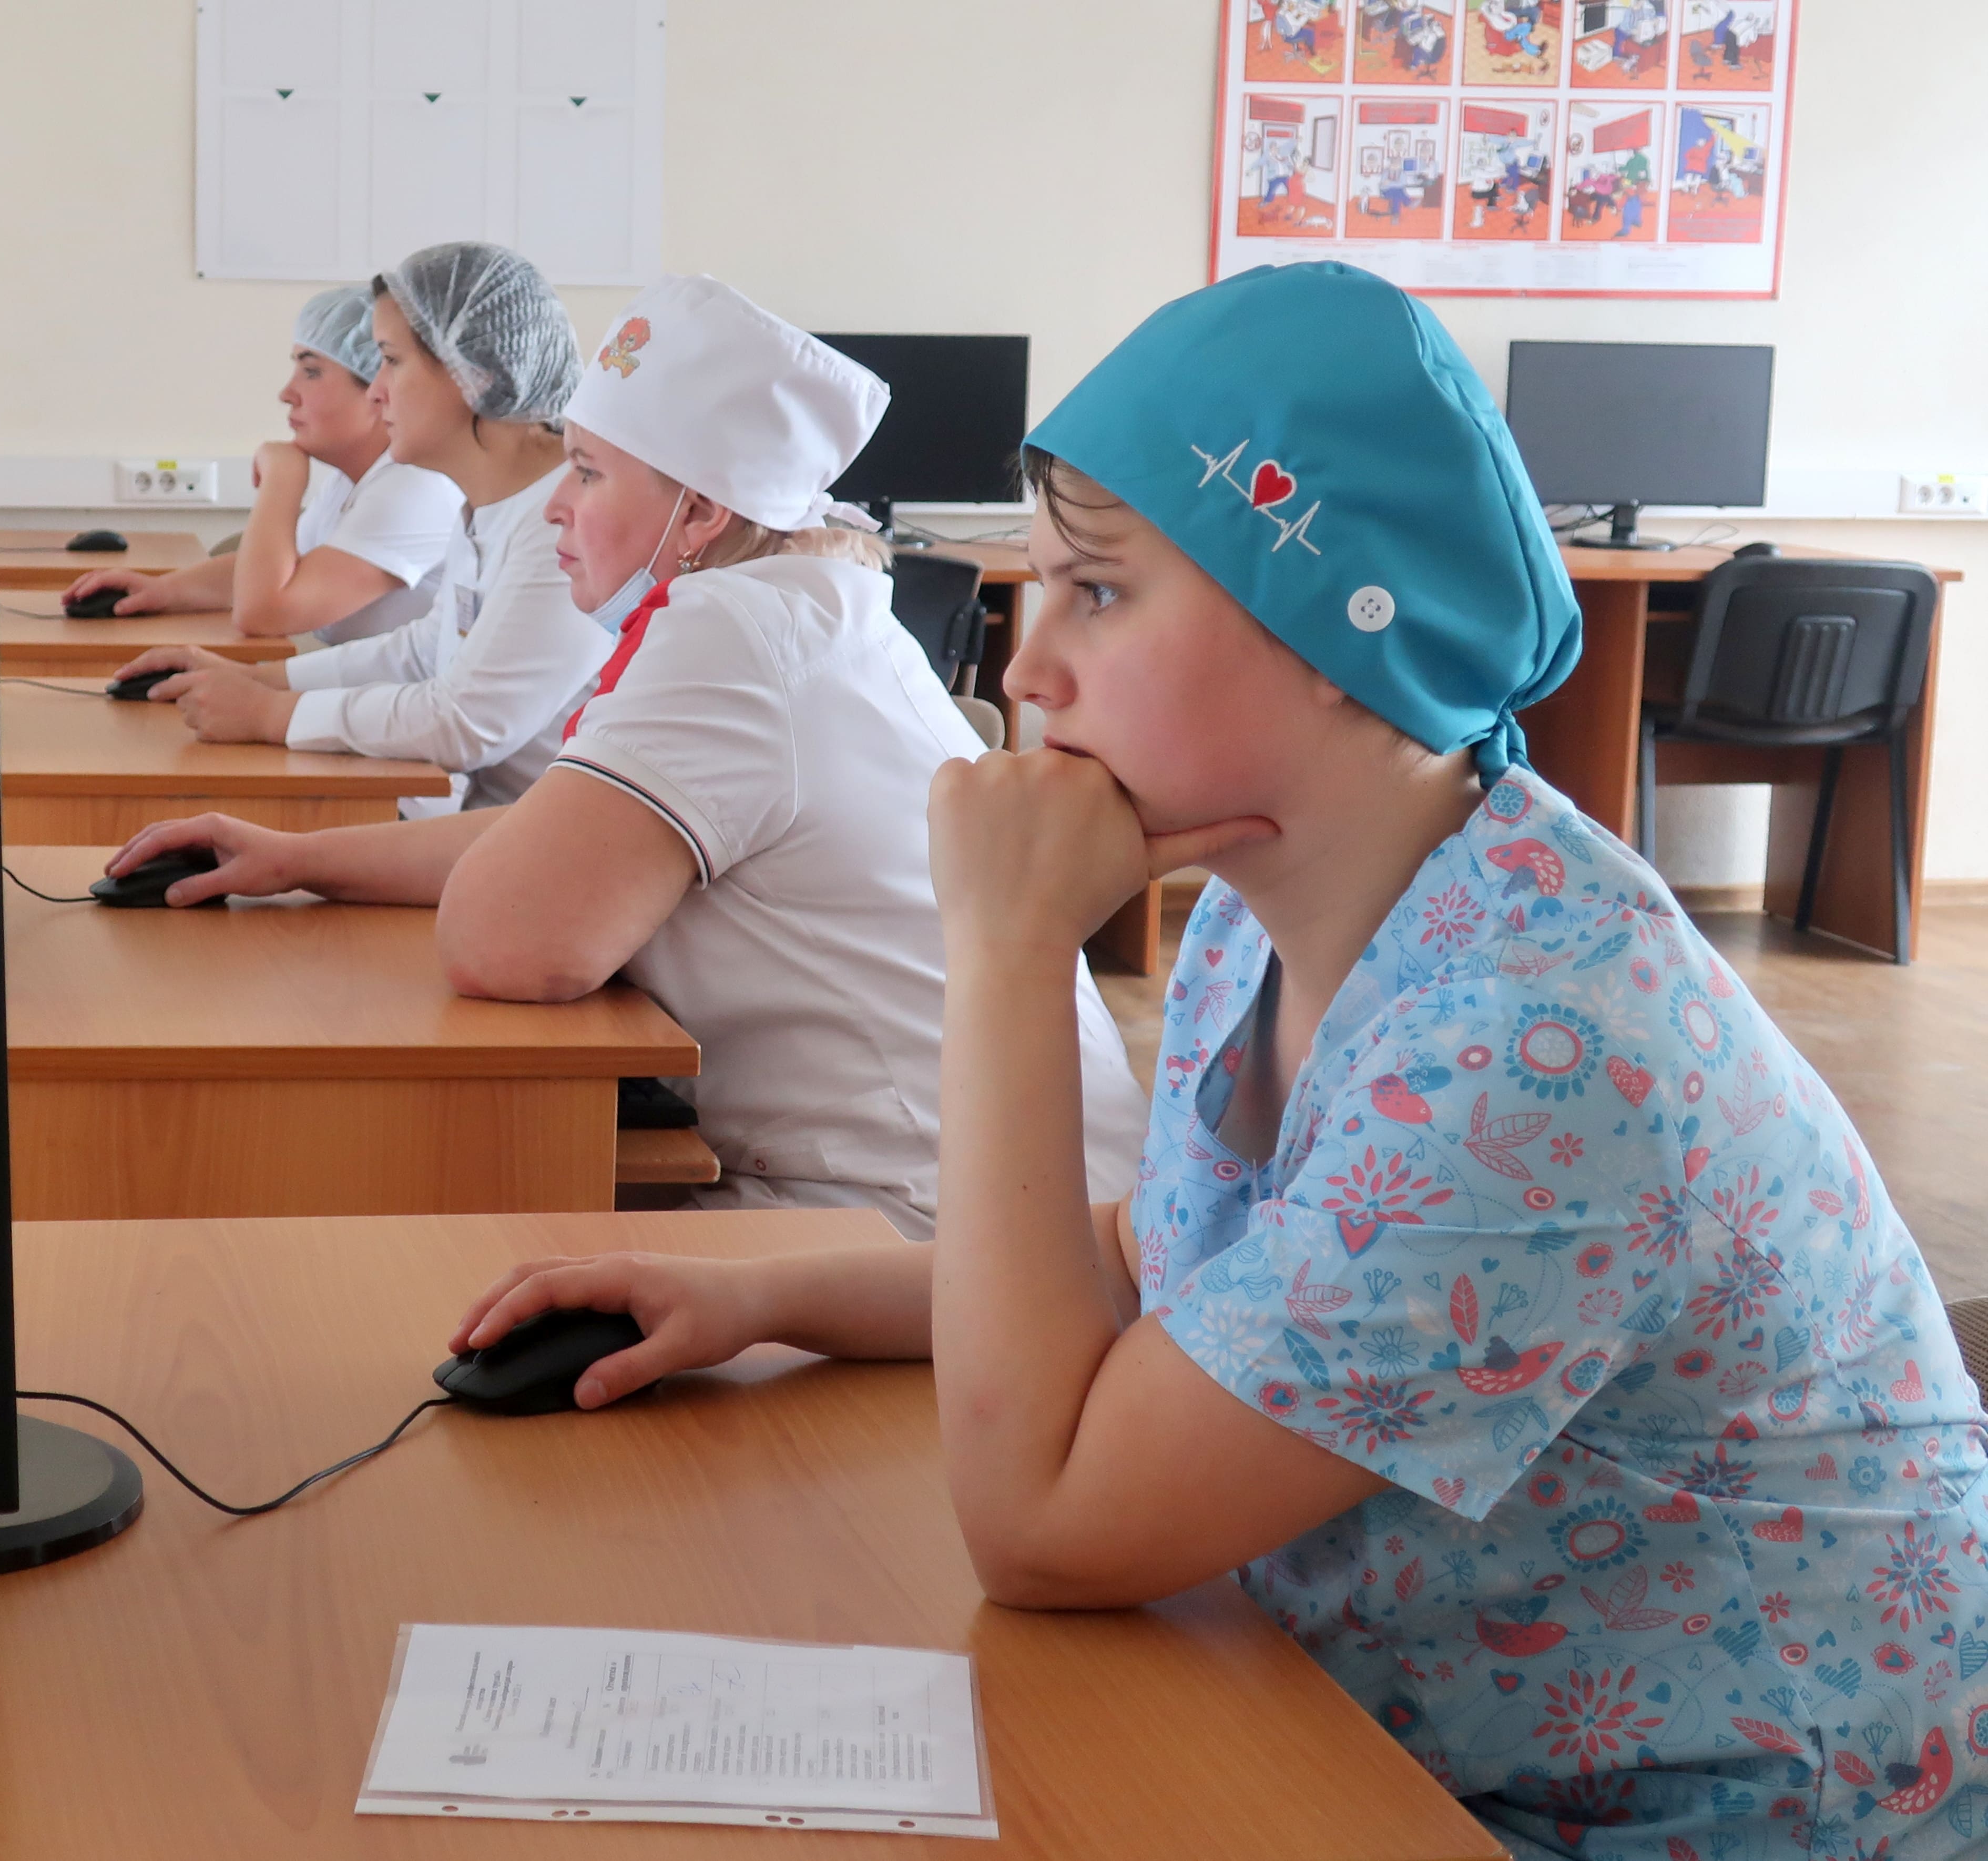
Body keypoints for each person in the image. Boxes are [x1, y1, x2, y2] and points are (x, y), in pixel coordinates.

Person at [443, 263, 1988, 1859]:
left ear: (1335, 627)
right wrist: (759, 1302)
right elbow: (1158, 1255)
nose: (1025, 670)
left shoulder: (1534, 1055)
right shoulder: (1266, 912)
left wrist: (1005, 948)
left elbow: (1044, 1528)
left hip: (1718, 1825)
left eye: (1097, 594)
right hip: (1389, 1734)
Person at [100, 274, 1150, 1239]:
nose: (555, 503)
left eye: (589, 472)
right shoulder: (805, 601)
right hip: (992, 1201)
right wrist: (295, 858)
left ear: (700, 512)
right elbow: (564, 837)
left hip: (928, 1225)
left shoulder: (736, 630)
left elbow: (505, 941)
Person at [114, 243, 606, 816]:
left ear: (477, 373)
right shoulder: (491, 504)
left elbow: (467, 723)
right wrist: (263, 679)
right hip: (485, 824)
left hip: (538, 841)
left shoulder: (564, 522)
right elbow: (424, 652)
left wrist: (271, 714)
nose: (376, 390)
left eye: (391, 361)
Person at [62, 285, 462, 646]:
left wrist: (282, 480)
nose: (287, 393)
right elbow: (280, 571)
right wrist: (162, 591)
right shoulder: (355, 481)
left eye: (311, 372)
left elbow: (264, 612)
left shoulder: (416, 488)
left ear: (376, 390)